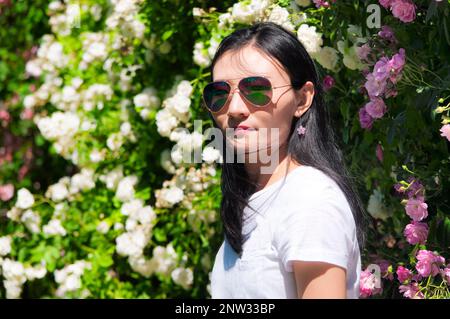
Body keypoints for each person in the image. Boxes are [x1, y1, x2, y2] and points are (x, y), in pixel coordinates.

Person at [202, 22, 368, 299]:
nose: (234, 109)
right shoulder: (255, 198)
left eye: (255, 89)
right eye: (220, 93)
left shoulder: (309, 199)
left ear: (302, 99)